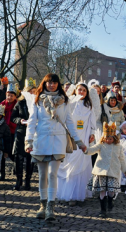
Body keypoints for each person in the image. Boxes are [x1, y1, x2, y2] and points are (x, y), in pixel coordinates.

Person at [25, 73, 86, 221]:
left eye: (54, 82)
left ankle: (50, 208)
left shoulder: (65, 101)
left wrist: (79, 141)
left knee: (53, 174)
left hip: (58, 141)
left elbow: (70, 122)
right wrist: (29, 140)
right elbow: (32, 121)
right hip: (41, 140)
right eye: (48, 82)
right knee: (42, 175)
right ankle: (42, 204)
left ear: (58, 84)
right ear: (44, 84)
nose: (51, 85)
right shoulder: (37, 100)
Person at [57, 83, 96, 206]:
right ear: (75, 91)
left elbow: (92, 121)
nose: (82, 92)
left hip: (83, 136)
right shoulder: (70, 103)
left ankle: (79, 193)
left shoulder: (89, 106)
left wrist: (92, 133)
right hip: (70, 136)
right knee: (69, 163)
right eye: (80, 89)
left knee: (81, 164)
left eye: (84, 90)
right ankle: (67, 193)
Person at [85, 122, 126, 218]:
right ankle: (103, 210)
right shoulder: (100, 145)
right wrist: (85, 149)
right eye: (107, 138)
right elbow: (92, 150)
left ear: (114, 138)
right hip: (101, 172)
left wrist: (125, 170)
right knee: (102, 190)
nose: (108, 140)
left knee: (111, 191)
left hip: (113, 171)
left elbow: (122, 159)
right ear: (104, 137)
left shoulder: (118, 147)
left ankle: (110, 201)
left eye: (110, 139)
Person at [11, 78, 36, 190]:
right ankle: (18, 180)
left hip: (34, 133)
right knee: (18, 158)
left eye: (34, 91)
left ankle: (28, 181)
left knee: (30, 159)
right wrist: (20, 121)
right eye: (30, 91)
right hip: (21, 133)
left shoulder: (38, 103)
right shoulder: (20, 103)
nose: (32, 93)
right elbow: (13, 117)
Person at [0, 83, 18, 180]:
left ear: (15, 96)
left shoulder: (17, 105)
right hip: (3, 130)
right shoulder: (2, 104)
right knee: (2, 153)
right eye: (8, 95)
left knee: (12, 152)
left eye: (11, 95)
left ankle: (16, 168)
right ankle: (2, 173)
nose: (9, 97)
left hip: (13, 131)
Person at [0, 105, 11, 181]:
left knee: (1, 163)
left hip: (0, 148)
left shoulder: (4, 126)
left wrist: (6, 151)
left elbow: (7, 140)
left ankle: (2, 174)